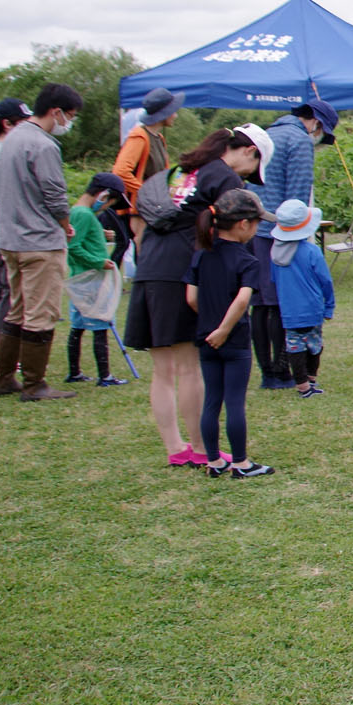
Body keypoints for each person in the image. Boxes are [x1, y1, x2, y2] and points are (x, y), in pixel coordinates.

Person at [128, 124, 274, 467]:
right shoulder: (225, 179)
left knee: (163, 370)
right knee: (189, 366)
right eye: (254, 169)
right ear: (250, 152)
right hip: (182, 273)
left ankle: (175, 447)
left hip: (150, 268)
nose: (249, 177)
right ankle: (198, 447)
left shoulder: (183, 171)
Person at [0, 84, 87, 402]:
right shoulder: (43, 145)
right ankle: (34, 384)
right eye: (69, 116)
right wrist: (65, 225)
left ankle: (4, 377)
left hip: (11, 240)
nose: (68, 123)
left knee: (16, 311)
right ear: (56, 112)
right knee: (40, 314)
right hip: (39, 242)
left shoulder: (12, 138)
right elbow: (55, 195)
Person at [185, 188, 274, 478]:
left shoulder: (201, 256)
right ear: (244, 224)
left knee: (212, 400)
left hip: (205, 338)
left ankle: (213, 460)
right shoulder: (247, 260)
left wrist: (211, 324)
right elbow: (242, 299)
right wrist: (224, 328)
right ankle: (241, 463)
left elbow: (191, 298)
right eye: (258, 223)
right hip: (233, 340)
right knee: (235, 401)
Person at [249, 99, 337, 390]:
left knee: (260, 304)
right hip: (279, 232)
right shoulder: (299, 140)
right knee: (277, 304)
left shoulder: (268, 133)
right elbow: (297, 199)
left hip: (252, 227)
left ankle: (267, 371)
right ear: (316, 123)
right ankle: (283, 372)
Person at [0, 97, 33, 375]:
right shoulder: (3, 152)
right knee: (7, 293)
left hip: (4, 229)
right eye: (22, 121)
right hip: (5, 232)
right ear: (7, 123)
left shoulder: (2, 149)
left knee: (2, 290)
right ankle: (1, 352)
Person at [65, 172, 132, 387]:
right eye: (109, 203)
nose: (106, 208)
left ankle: (74, 372)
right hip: (91, 279)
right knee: (100, 325)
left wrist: (100, 234)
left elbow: (79, 238)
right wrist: (99, 262)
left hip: (79, 278)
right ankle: (105, 376)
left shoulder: (78, 212)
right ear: (103, 196)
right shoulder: (84, 214)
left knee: (78, 326)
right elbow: (74, 247)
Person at [269, 198, 336, 399]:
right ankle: (311, 378)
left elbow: (274, 280)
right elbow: (325, 281)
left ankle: (302, 385)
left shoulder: (274, 254)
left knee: (294, 346)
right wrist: (329, 306)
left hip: (289, 310)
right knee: (315, 345)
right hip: (312, 308)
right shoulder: (312, 251)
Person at [111, 86, 183, 230]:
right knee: (143, 249)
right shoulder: (139, 136)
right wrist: (146, 191)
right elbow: (120, 172)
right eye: (173, 111)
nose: (175, 115)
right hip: (141, 210)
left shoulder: (159, 138)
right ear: (164, 113)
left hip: (154, 207)